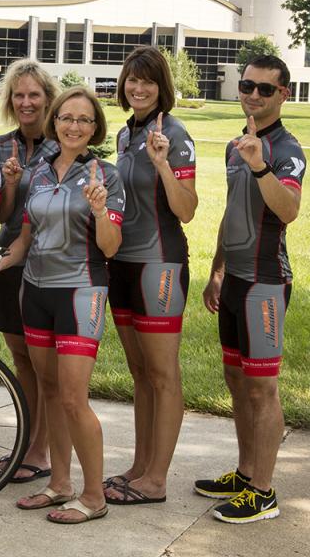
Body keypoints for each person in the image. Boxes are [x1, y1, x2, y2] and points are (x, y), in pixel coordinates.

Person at [0, 85, 125, 524]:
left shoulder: (105, 174)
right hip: (36, 290)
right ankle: (59, 484)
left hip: (81, 291)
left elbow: (110, 248)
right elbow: (25, 239)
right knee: (50, 392)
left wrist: (102, 211)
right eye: (67, 117)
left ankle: (93, 496)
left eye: (84, 120)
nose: (74, 126)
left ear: (95, 128)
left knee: (72, 398)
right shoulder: (39, 173)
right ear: (56, 121)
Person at [198, 54, 304, 524]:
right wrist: (216, 269)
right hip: (236, 279)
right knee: (237, 382)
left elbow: (288, 211)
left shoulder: (287, 149)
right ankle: (245, 474)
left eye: (265, 89)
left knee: (262, 388)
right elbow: (231, 213)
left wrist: (262, 167)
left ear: (283, 94)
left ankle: (263, 493)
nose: (254, 95)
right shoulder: (232, 145)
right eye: (247, 86)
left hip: (266, 282)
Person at [103, 46, 198, 506]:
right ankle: (140, 467)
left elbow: (188, 210)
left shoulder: (174, 135)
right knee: (139, 373)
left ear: (163, 87)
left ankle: (157, 479)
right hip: (120, 264)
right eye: (131, 80)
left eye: (148, 81)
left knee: (162, 373)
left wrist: (162, 163)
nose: (138, 88)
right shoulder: (125, 134)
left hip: (159, 263)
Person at [0, 59, 59, 483]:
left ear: (48, 99)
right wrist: (11, 183)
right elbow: (1, 214)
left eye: (34, 94)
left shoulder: (64, 140)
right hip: (8, 260)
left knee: (43, 362)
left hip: (46, 264)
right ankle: (28, 442)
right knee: (20, 358)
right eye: (19, 95)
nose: (27, 102)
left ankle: (41, 451)